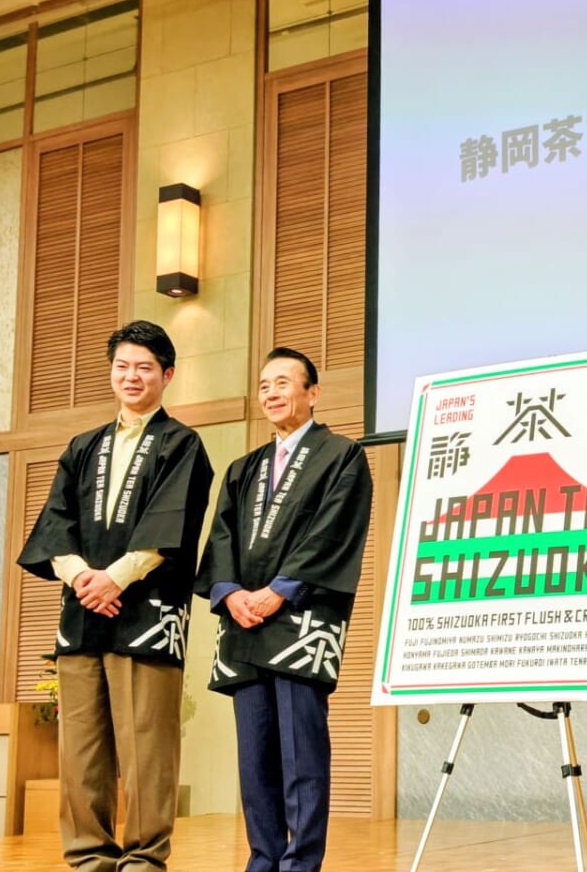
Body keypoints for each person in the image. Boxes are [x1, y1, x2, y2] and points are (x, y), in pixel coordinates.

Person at [17, 320, 214, 872]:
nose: (132, 376)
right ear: (111, 372)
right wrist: (84, 577)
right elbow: (55, 524)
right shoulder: (83, 447)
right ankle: (88, 855)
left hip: (147, 613)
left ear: (167, 375)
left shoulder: (181, 444)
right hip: (83, 612)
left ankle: (145, 858)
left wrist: (116, 579)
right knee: (81, 746)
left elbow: (171, 524)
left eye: (144, 367)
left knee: (147, 745)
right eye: (122, 366)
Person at [195, 347, 373, 872]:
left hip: (300, 619)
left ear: (313, 393)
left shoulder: (342, 456)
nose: (271, 393)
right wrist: (230, 593)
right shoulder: (243, 468)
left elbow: (333, 532)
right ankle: (263, 859)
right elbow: (221, 537)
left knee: (302, 757)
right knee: (255, 760)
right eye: (264, 385)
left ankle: (301, 864)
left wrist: (280, 589)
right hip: (244, 624)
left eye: (283, 383)